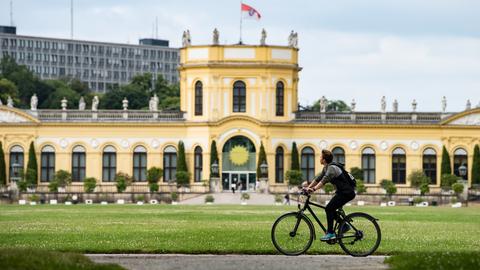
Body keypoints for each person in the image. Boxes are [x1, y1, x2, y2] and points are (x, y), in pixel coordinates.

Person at [304, 149, 356, 241]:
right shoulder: (326, 168)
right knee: (330, 209)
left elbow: (324, 180)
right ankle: (344, 225)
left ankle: (331, 233)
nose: (319, 158)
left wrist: (313, 189)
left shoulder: (331, 168)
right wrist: (308, 187)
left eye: (320, 157)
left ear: (324, 160)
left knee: (329, 208)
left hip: (346, 193)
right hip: (342, 192)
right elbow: (318, 179)